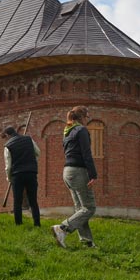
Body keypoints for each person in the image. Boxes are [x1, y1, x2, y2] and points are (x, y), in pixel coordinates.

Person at [52, 106, 98, 248]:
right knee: (89, 208)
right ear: (82, 117)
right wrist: (93, 174)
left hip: (67, 171)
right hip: (78, 171)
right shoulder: (81, 130)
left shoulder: (67, 131)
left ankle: (87, 242)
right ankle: (62, 228)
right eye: (87, 117)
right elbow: (86, 153)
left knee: (80, 209)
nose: (87, 120)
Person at [2, 125, 41, 226]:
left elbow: (8, 166)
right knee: (33, 200)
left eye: (5, 137)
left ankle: (18, 224)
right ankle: (37, 223)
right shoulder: (28, 139)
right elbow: (38, 152)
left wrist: (9, 178)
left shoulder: (8, 146)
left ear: (7, 135)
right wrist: (32, 163)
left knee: (17, 201)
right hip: (31, 172)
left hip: (17, 175)